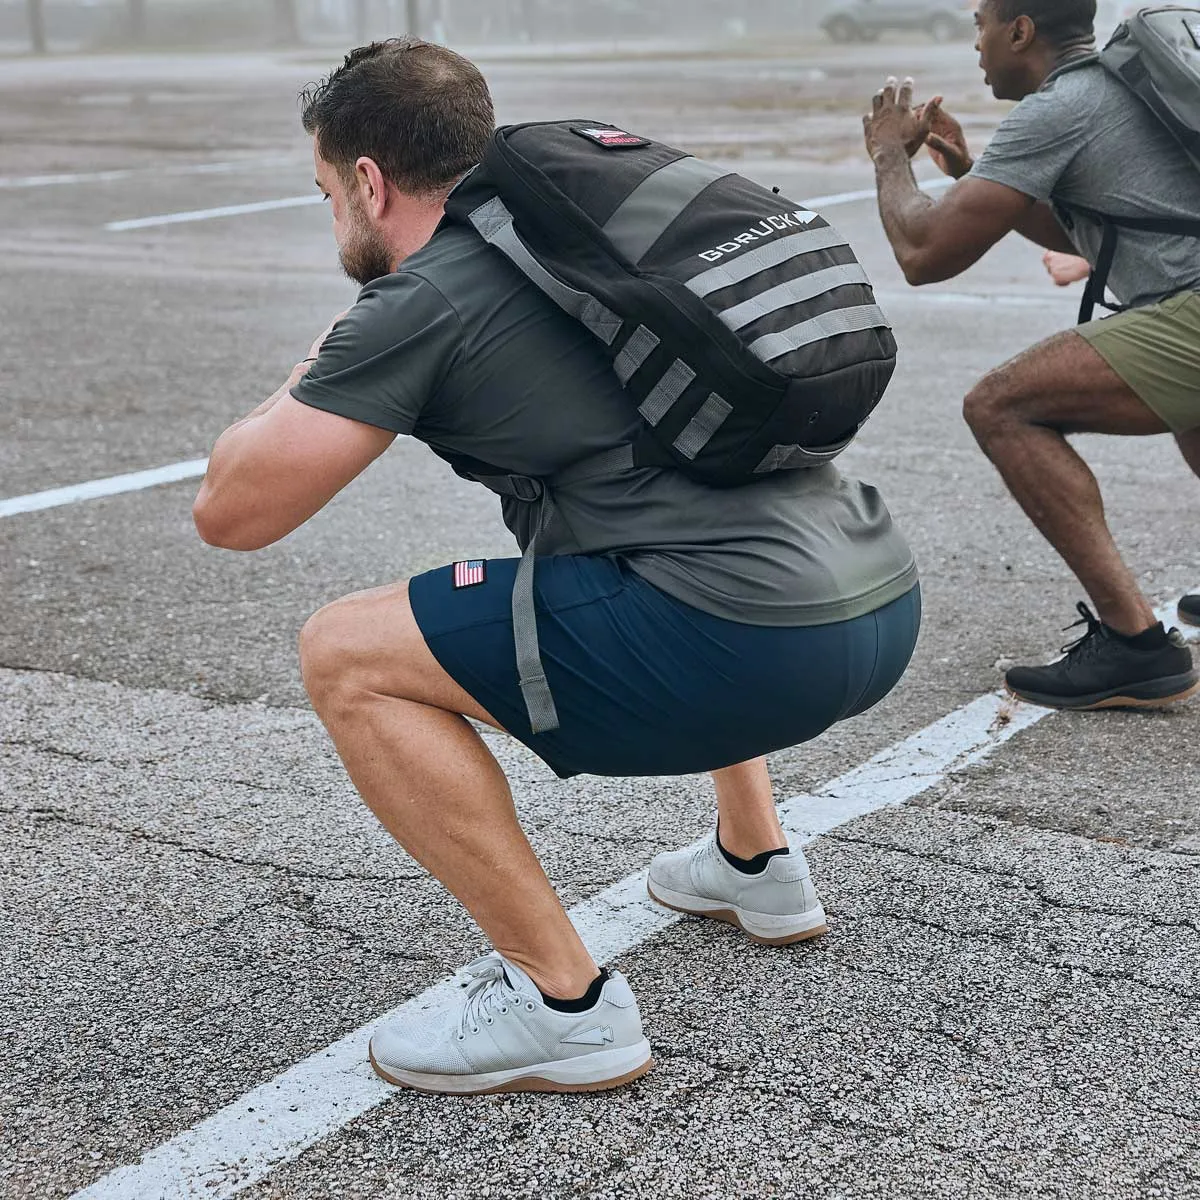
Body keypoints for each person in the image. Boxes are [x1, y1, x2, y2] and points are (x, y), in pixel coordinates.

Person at [192, 39, 920, 1096]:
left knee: (345, 652)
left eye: (324, 192)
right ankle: (757, 865)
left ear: (366, 180)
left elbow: (233, 511)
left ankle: (563, 1005)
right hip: (876, 603)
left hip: (752, 648)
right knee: (623, 534)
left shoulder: (422, 298)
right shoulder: (580, 246)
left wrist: (313, 366)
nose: (333, 218)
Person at [862, 0, 1200, 710]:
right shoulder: (1125, 85)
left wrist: (890, 154)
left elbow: (924, 253)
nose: (976, 43)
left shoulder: (1061, 107)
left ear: (1021, 31)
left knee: (1002, 405)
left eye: (981, 23)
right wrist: (968, 173)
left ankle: (1135, 647)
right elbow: (1106, 236)